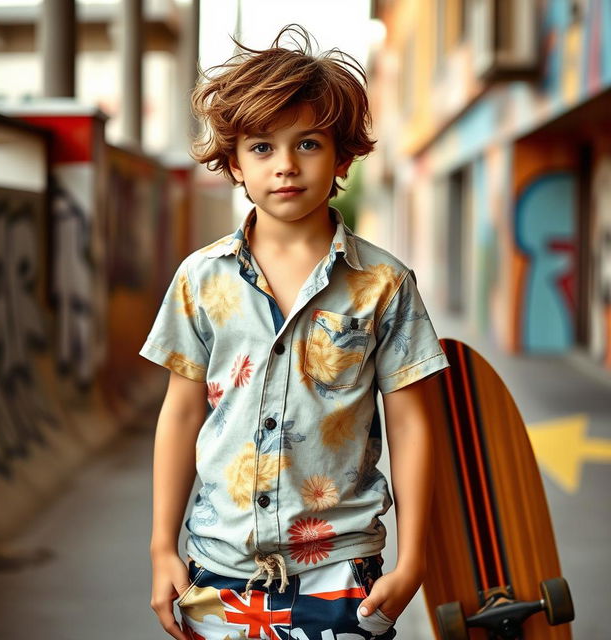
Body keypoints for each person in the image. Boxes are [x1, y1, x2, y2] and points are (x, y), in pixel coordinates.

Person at [141, 24, 450, 640]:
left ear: (341, 156)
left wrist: (414, 558)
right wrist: (161, 547)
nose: (285, 166)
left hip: (340, 569)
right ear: (233, 162)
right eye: (261, 147)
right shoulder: (201, 280)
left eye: (307, 144)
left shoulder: (384, 284)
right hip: (220, 563)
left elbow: (412, 421)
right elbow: (180, 414)